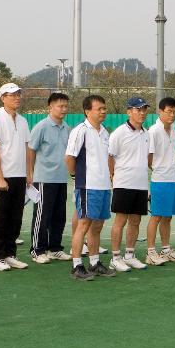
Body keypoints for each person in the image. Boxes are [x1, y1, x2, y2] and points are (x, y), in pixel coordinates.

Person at [65, 95, 115, 281]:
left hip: (103, 187)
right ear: (87, 111)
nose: (103, 111)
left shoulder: (104, 132)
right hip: (87, 186)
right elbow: (69, 157)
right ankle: (77, 265)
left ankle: (94, 263)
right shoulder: (80, 131)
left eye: (104, 108)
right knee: (83, 224)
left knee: (98, 225)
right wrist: (75, 178)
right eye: (99, 108)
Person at [0, 82, 31, 271]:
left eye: (18, 94)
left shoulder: (23, 121)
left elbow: (27, 150)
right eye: (12, 95)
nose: (17, 97)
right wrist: (0, 177)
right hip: (3, 177)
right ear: (3, 98)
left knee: (15, 218)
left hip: (20, 177)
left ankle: (10, 254)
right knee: (0, 219)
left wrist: (29, 174)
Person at [107, 96, 151, 272]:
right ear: (129, 111)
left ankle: (130, 256)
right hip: (123, 183)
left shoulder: (146, 134)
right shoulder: (119, 133)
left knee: (135, 220)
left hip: (140, 184)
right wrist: (113, 177)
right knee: (121, 220)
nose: (142, 113)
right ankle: (115, 258)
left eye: (144, 109)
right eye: (138, 109)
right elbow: (110, 156)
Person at [27, 91, 72, 264]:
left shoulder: (67, 128)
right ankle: (37, 250)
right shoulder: (41, 127)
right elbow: (31, 150)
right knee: (42, 216)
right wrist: (30, 173)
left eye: (66, 106)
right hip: (44, 179)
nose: (64, 109)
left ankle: (54, 248)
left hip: (61, 179)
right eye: (60, 106)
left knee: (59, 216)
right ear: (50, 107)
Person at [146, 96, 175, 265]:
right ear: (160, 111)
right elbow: (148, 158)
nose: (172, 115)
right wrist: (158, 170)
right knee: (156, 216)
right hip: (160, 180)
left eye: (174, 112)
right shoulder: (153, 131)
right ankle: (150, 253)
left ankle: (166, 250)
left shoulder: (174, 130)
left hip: (173, 179)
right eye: (169, 111)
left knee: (167, 217)